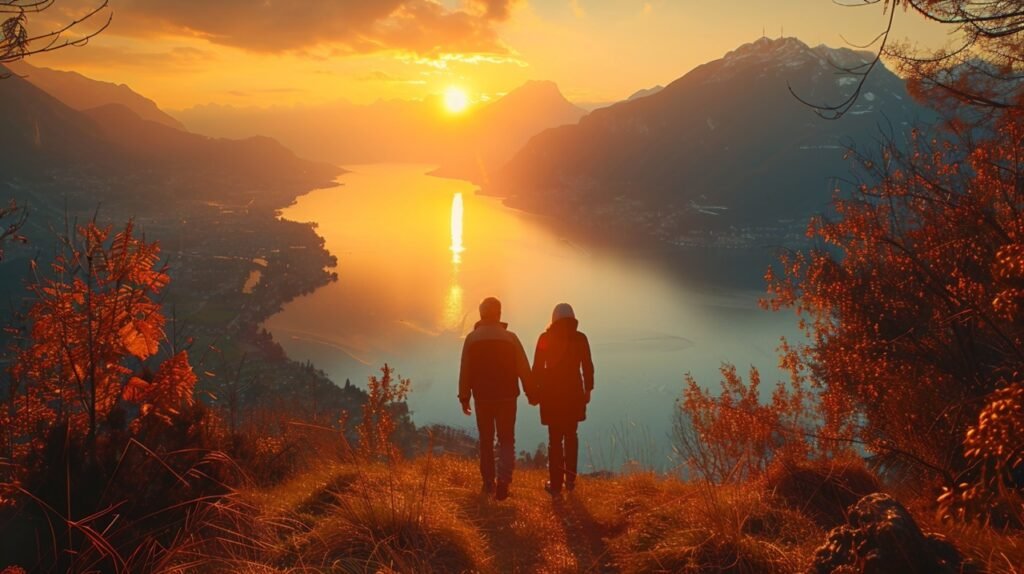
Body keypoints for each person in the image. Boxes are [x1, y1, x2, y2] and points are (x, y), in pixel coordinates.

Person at [458, 296, 534, 501]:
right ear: (499, 314)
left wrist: (464, 397)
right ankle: (504, 482)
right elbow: (523, 368)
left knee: (486, 440)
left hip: (482, 397)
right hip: (508, 396)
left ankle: (488, 483)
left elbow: (465, 369)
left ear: (481, 314)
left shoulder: (472, 339)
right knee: (506, 439)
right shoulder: (511, 338)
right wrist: (531, 392)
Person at [532, 303, 594, 495]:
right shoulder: (580, 338)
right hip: (574, 394)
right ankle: (570, 481)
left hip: (551, 396)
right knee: (571, 436)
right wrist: (588, 390)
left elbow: (536, 368)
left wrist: (534, 392)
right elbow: (588, 366)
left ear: (554, 319)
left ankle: (556, 484)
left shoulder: (545, 338)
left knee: (555, 440)